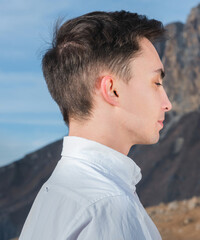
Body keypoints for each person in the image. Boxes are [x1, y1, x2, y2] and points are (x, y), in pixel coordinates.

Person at [19, 11, 172, 240]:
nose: (167, 103)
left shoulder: (55, 193)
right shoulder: (109, 207)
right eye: (156, 83)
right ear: (112, 90)